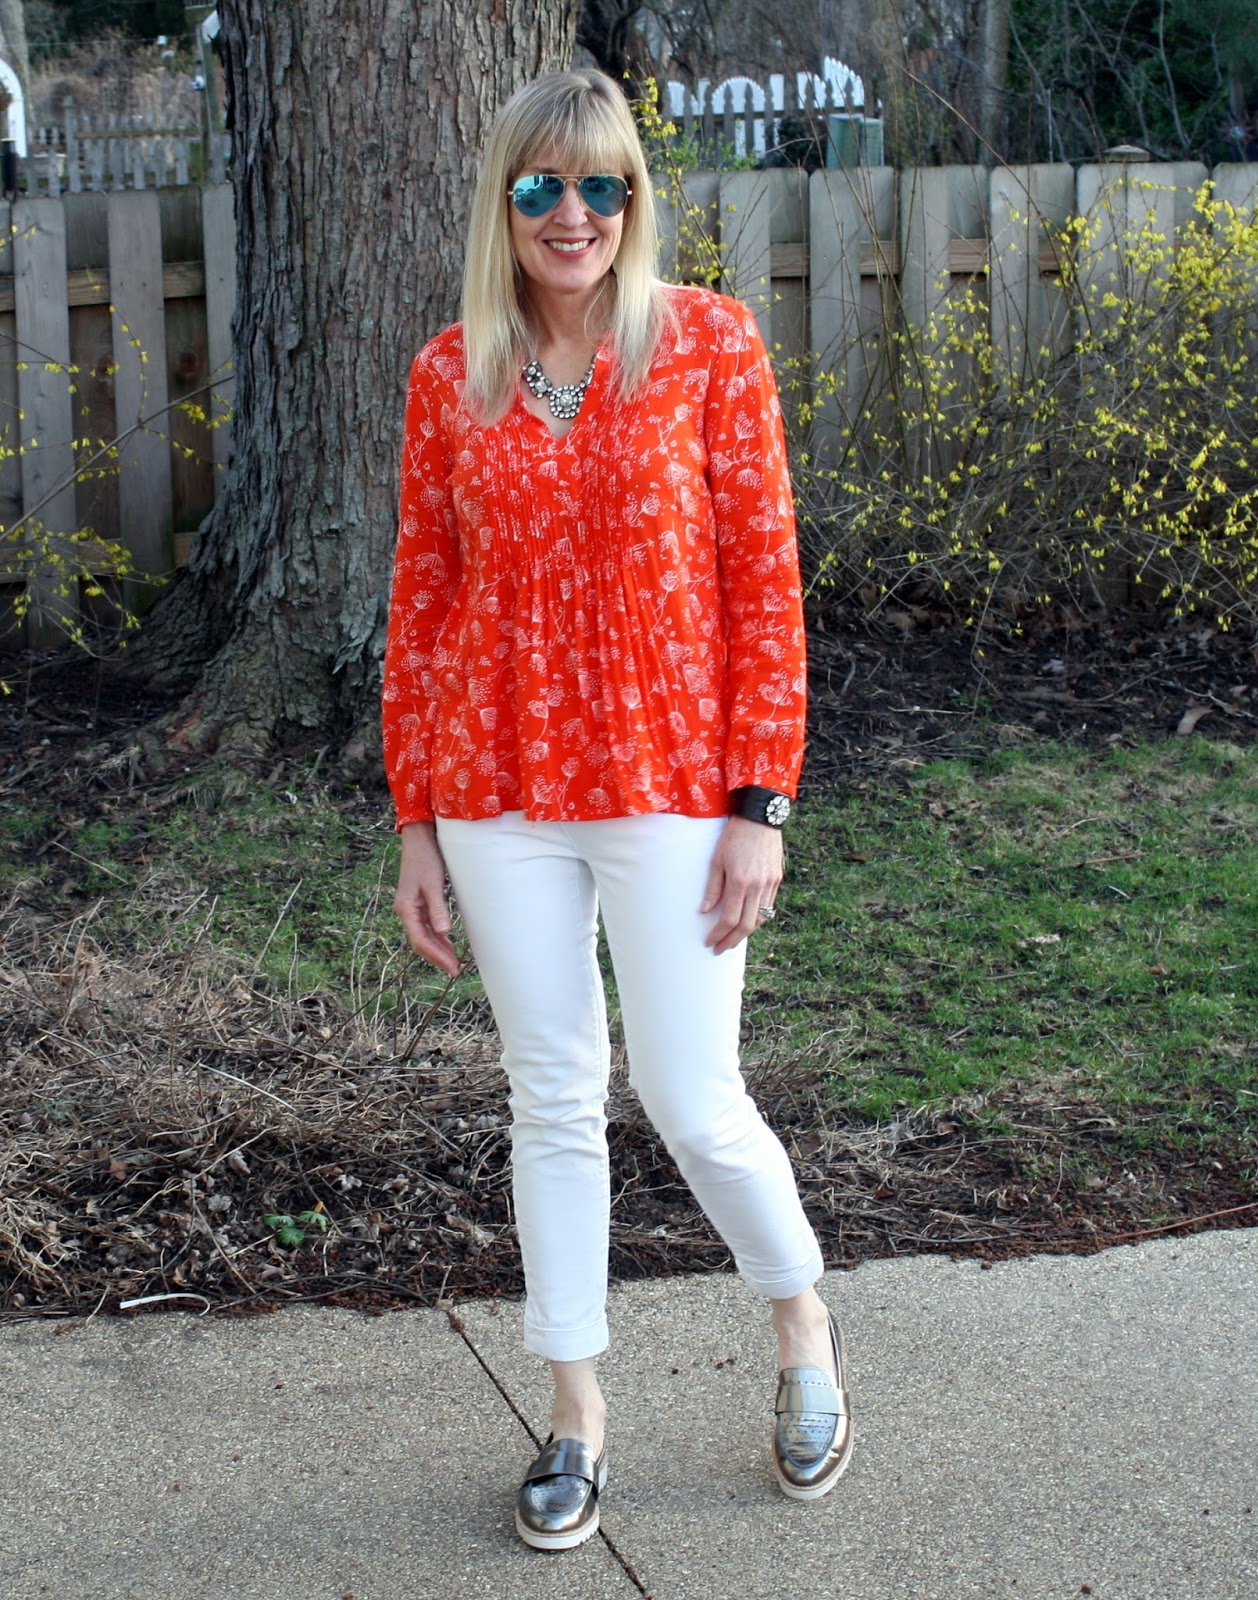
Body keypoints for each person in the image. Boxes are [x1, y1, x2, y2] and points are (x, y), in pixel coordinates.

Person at [383, 68, 851, 1550]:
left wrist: (758, 802)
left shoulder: (710, 346)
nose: (570, 215)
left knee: (692, 1098)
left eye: (599, 188)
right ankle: (576, 1410)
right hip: (495, 797)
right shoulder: (447, 372)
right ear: (502, 206)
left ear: (634, 201)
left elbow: (762, 587)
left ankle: (801, 1332)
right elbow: (421, 602)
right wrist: (413, 814)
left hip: (669, 789)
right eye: (538, 189)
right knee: (550, 1094)